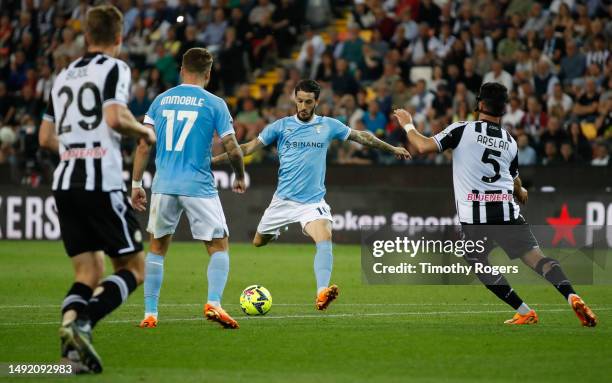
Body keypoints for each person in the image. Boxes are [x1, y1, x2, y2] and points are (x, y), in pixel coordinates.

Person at [393, 82, 597, 327]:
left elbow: (423, 146)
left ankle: (524, 311)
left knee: (476, 260)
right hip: (507, 211)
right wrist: (520, 189)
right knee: (536, 258)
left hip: (476, 217)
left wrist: (407, 123)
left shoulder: (462, 129)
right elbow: (512, 177)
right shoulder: (509, 141)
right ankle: (571, 294)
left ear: (480, 104)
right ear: (503, 109)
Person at [212, 79, 409, 310]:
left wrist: (392, 148)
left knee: (324, 237)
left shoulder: (328, 125)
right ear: (294, 100)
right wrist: (213, 161)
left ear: (316, 102)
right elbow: (246, 148)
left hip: (312, 202)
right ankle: (276, 230)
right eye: (299, 101)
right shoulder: (281, 126)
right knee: (258, 242)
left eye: (308, 102)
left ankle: (321, 292)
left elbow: (362, 136)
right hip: (282, 201)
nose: (303, 106)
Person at [38, 5, 156, 374]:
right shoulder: (115, 67)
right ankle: (83, 322)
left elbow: (45, 137)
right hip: (99, 181)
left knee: (88, 271)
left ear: (86, 36)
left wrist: (76, 148)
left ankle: (68, 357)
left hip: (64, 181)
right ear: (119, 38)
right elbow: (114, 117)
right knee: (135, 268)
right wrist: (144, 132)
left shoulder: (61, 76)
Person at [131, 48, 246, 330]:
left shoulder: (160, 100)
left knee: (157, 248)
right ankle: (214, 303)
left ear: (181, 70)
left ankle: (150, 313)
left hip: (164, 185)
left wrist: (136, 183)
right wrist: (240, 175)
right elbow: (231, 146)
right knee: (218, 245)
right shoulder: (215, 103)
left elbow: (144, 144)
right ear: (208, 73)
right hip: (198, 185)